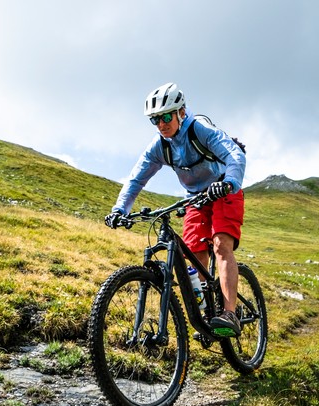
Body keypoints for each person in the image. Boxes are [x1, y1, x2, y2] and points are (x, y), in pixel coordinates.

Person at [105, 82, 246, 336]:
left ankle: (229, 313)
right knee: (194, 254)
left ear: (181, 111)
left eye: (166, 116)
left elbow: (235, 155)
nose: (161, 124)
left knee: (221, 245)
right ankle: (207, 314)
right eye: (155, 120)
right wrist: (120, 209)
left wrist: (229, 183)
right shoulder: (160, 146)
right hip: (194, 198)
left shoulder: (200, 130)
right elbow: (137, 179)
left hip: (224, 190)